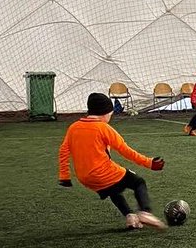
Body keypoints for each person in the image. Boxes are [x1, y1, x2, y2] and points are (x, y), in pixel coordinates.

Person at [58, 92, 166, 230]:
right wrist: (149, 163)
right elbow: (125, 150)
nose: (110, 116)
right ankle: (145, 212)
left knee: (112, 189)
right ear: (104, 113)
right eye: (110, 113)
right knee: (138, 182)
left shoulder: (73, 127)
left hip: (85, 178)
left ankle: (130, 216)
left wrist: (64, 176)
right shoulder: (104, 128)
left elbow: (63, 151)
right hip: (103, 172)